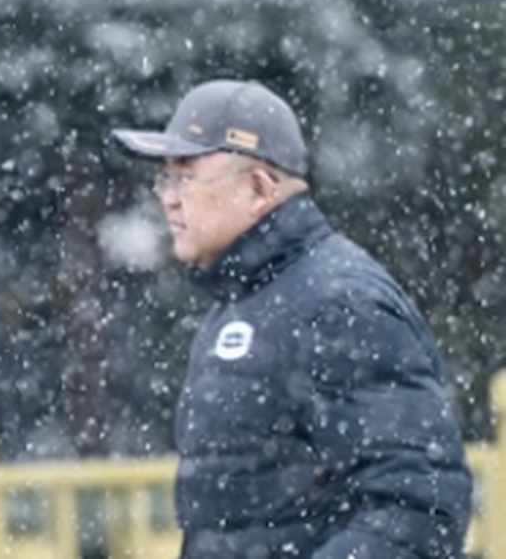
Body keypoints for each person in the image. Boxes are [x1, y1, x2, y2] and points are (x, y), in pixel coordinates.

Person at [111, 79, 473, 558]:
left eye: (186, 177)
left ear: (259, 188)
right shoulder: (242, 303)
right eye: (165, 179)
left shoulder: (340, 303)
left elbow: (420, 508)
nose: (169, 198)